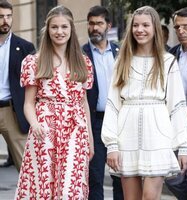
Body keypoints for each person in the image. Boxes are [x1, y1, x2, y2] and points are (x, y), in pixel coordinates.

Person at [101, 6, 187, 200]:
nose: (139, 29)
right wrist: (112, 145)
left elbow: (177, 106)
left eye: (145, 25)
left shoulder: (168, 62)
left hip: (157, 136)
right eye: (135, 25)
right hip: (127, 136)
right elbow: (112, 104)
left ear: (155, 28)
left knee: (150, 197)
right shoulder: (122, 61)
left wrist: (183, 146)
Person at [14, 5, 94, 199]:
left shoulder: (83, 62)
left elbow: (83, 103)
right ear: (47, 30)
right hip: (45, 130)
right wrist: (35, 124)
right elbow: (28, 103)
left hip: (76, 130)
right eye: (55, 27)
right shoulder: (34, 62)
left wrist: (90, 139)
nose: (59, 32)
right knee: (43, 187)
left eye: (64, 27)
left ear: (71, 29)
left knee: (70, 189)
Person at [82, 5, 123, 200]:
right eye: (91, 24)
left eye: (99, 23)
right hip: (94, 123)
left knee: (121, 176)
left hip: (119, 122)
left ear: (108, 25)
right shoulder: (79, 54)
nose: (94, 28)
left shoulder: (120, 52)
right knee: (95, 177)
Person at [165, 7, 187, 200]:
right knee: (172, 178)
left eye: (186, 26)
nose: (181, 31)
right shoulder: (170, 56)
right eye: (177, 27)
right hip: (173, 127)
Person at [0, 0, 35, 171]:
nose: (5, 21)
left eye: (8, 16)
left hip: (12, 111)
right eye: (0, 17)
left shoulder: (25, 47)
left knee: (26, 167)